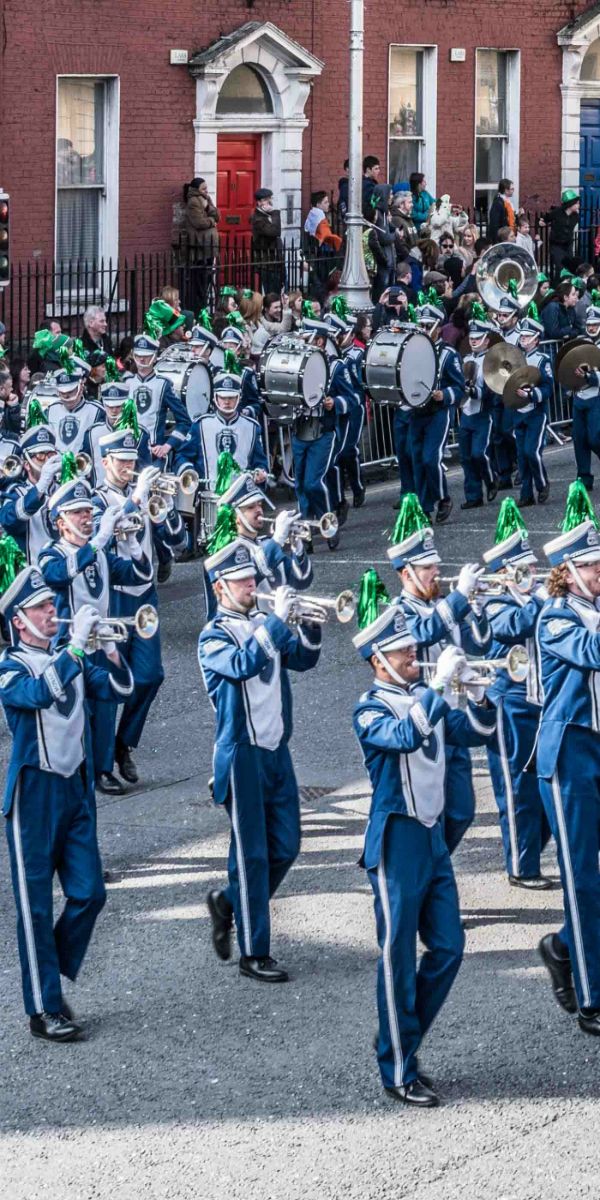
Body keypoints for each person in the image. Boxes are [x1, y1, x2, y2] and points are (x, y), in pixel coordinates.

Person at [352, 601, 496, 1105]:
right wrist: (437, 690)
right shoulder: (370, 708)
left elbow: (477, 733)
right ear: (378, 659)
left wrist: (479, 696)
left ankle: (399, 1037)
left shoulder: (422, 695)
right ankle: (397, 1070)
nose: (414, 654)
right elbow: (405, 734)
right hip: (397, 842)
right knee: (397, 955)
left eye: (412, 647)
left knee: (450, 947)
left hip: (431, 838)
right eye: (402, 650)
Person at [0, 563, 133, 1042]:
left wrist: (112, 652)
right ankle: (45, 1009)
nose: (52, 612)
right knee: (35, 907)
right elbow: (39, 694)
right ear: (19, 620)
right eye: (40, 608)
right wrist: (76, 647)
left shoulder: (68, 657)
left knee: (90, 893)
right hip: (33, 794)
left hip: (74, 790)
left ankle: (46, 969)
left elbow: (118, 690)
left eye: (52, 605)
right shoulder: (10, 667)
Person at [199, 539, 321, 983]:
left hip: (274, 749)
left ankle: (231, 903)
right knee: (251, 854)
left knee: (287, 845)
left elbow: (305, 660)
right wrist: (274, 621)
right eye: (242, 581)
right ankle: (255, 952)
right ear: (220, 587)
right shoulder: (213, 636)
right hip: (240, 754)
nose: (252, 586)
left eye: (252, 578)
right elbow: (242, 664)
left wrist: (306, 621)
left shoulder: (262, 622)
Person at [38, 475, 153, 795]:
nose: (87, 517)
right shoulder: (52, 553)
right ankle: (73, 769)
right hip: (69, 644)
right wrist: (100, 540)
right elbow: (58, 575)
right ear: (61, 521)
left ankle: (102, 769)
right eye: (78, 513)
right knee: (74, 712)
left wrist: (131, 544)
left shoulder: (100, 552)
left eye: (88, 511)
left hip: (102, 640)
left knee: (104, 708)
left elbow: (140, 575)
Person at [386, 509, 491, 854]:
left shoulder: (447, 605)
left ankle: (433, 867)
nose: (436, 572)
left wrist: (477, 606)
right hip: (422, 719)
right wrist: (460, 598)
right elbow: (424, 632)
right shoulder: (396, 615)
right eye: (427, 568)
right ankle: (429, 877)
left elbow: (478, 644)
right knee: (428, 815)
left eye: (435, 565)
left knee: (461, 811)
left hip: (452, 717)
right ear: (406, 573)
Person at [537, 502, 600, 1035]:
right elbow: (592, 651)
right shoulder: (555, 617)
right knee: (581, 879)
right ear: (572, 571)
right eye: (595, 566)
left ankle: (562, 945)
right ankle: (591, 996)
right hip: (569, 753)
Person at [94, 434, 185, 786]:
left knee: (150, 675)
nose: (129, 467)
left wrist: (166, 508)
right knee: (107, 683)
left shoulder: (145, 495)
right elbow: (108, 530)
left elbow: (179, 541)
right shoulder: (94, 498)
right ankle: (101, 767)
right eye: (121, 461)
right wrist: (136, 498)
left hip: (145, 594)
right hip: (112, 596)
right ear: (105, 462)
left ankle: (123, 743)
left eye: (132, 460)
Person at [480, 502, 551, 887]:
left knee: (546, 786)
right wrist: (542, 598)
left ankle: (532, 851)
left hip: (540, 700)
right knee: (517, 789)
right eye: (523, 569)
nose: (533, 573)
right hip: (509, 704)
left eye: (532, 566)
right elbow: (514, 627)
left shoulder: (536, 597)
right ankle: (522, 867)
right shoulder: (495, 601)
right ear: (505, 573)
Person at [203, 473, 312, 618]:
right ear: (236, 517)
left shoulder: (267, 543)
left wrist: (296, 546)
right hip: (242, 633)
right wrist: (278, 539)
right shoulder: (226, 553)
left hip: (274, 630)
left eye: (260, 504)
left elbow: (301, 581)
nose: (259, 510)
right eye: (250, 507)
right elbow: (251, 573)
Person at [410, 300, 465, 524]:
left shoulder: (448, 354)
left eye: (426, 326)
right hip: (416, 412)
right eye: (420, 325)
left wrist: (445, 395)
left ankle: (443, 498)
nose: (423, 330)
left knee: (430, 458)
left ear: (437, 327)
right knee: (417, 460)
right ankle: (423, 507)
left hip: (438, 412)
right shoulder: (411, 351)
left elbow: (459, 387)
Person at [191, 372, 268, 490]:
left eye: (231, 397)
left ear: (239, 397)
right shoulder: (200, 425)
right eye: (222, 397)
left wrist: (260, 471)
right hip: (208, 495)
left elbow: (260, 461)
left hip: (241, 496)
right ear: (215, 397)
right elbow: (184, 455)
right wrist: (187, 470)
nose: (227, 402)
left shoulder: (252, 426)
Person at [126, 326, 191, 466]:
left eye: (147, 356)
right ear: (133, 355)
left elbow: (184, 422)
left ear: (155, 356)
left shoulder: (164, 384)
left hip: (153, 453)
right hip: (127, 450)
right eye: (138, 355)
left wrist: (167, 446)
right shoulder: (127, 383)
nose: (142, 359)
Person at [0, 426, 61, 563]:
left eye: (50, 454)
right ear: (27, 465)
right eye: (40, 455)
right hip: (33, 572)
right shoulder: (15, 491)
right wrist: (40, 488)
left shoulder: (63, 488)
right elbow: (8, 521)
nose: (47, 461)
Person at [511, 316, 552, 507]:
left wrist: (531, 394)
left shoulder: (542, 360)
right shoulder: (515, 360)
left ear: (536, 338)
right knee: (521, 454)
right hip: (519, 412)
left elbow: (548, 388)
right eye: (522, 336)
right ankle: (526, 494)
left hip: (536, 413)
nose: (523, 340)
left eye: (527, 337)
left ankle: (542, 484)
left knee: (531, 451)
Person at [459, 316, 499, 509]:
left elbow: (493, 391)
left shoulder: (491, 362)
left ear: (487, 339)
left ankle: (491, 479)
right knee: (466, 457)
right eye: (472, 338)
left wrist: (475, 391)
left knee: (478, 454)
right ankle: (473, 495)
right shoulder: (466, 359)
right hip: (466, 413)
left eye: (478, 338)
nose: (474, 341)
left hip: (483, 414)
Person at [81, 380, 152, 487]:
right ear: (104, 405)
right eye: (110, 406)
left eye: (118, 406)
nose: (114, 410)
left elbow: (144, 468)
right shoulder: (91, 432)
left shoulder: (140, 433)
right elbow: (84, 466)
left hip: (129, 494)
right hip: (99, 494)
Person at [46, 358, 104, 455]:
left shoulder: (96, 411)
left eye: (70, 391)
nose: (66, 396)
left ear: (81, 387)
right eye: (62, 392)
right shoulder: (51, 410)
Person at [571, 303, 600, 489]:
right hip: (579, 396)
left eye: (595, 324)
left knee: (595, 438)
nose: (591, 328)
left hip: (597, 397)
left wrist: (590, 376)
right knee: (579, 438)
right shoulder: (580, 342)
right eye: (589, 324)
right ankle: (584, 477)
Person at [183, 177, 220, 311]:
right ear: (196, 189)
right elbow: (199, 223)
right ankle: (199, 310)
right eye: (203, 188)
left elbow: (218, 216)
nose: (206, 191)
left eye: (206, 188)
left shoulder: (206, 199)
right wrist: (212, 221)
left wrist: (209, 207)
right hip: (200, 247)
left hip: (209, 247)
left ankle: (203, 308)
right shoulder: (193, 201)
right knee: (200, 281)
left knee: (207, 280)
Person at [368, 184, 397, 304]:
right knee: (381, 294)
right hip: (384, 261)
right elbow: (383, 238)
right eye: (390, 194)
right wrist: (396, 235)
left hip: (389, 260)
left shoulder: (385, 214)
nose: (392, 197)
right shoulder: (378, 214)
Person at [251, 189, 284, 294]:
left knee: (280, 291)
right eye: (266, 199)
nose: (269, 201)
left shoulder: (268, 215)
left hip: (277, 260)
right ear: (259, 202)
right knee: (271, 294)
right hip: (267, 263)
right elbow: (275, 232)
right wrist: (275, 213)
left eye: (270, 198)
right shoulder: (257, 219)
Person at [544, 190, 581, 281]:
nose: (578, 205)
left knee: (569, 266)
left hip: (568, 244)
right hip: (556, 244)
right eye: (576, 203)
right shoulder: (557, 212)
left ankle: (567, 286)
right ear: (570, 204)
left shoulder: (576, 216)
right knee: (560, 267)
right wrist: (543, 222)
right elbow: (546, 219)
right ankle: (559, 287)